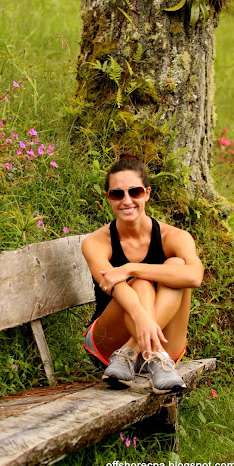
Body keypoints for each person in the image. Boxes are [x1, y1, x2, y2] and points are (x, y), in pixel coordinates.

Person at [82, 153, 203, 394]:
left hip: (163, 346)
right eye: (117, 194)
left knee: (177, 266)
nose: (127, 201)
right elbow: (117, 288)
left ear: (147, 193)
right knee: (141, 285)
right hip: (109, 343)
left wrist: (131, 268)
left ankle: (135, 350)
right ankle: (149, 352)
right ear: (108, 198)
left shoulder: (174, 237)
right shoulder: (96, 242)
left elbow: (194, 277)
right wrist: (143, 319)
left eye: (134, 192)